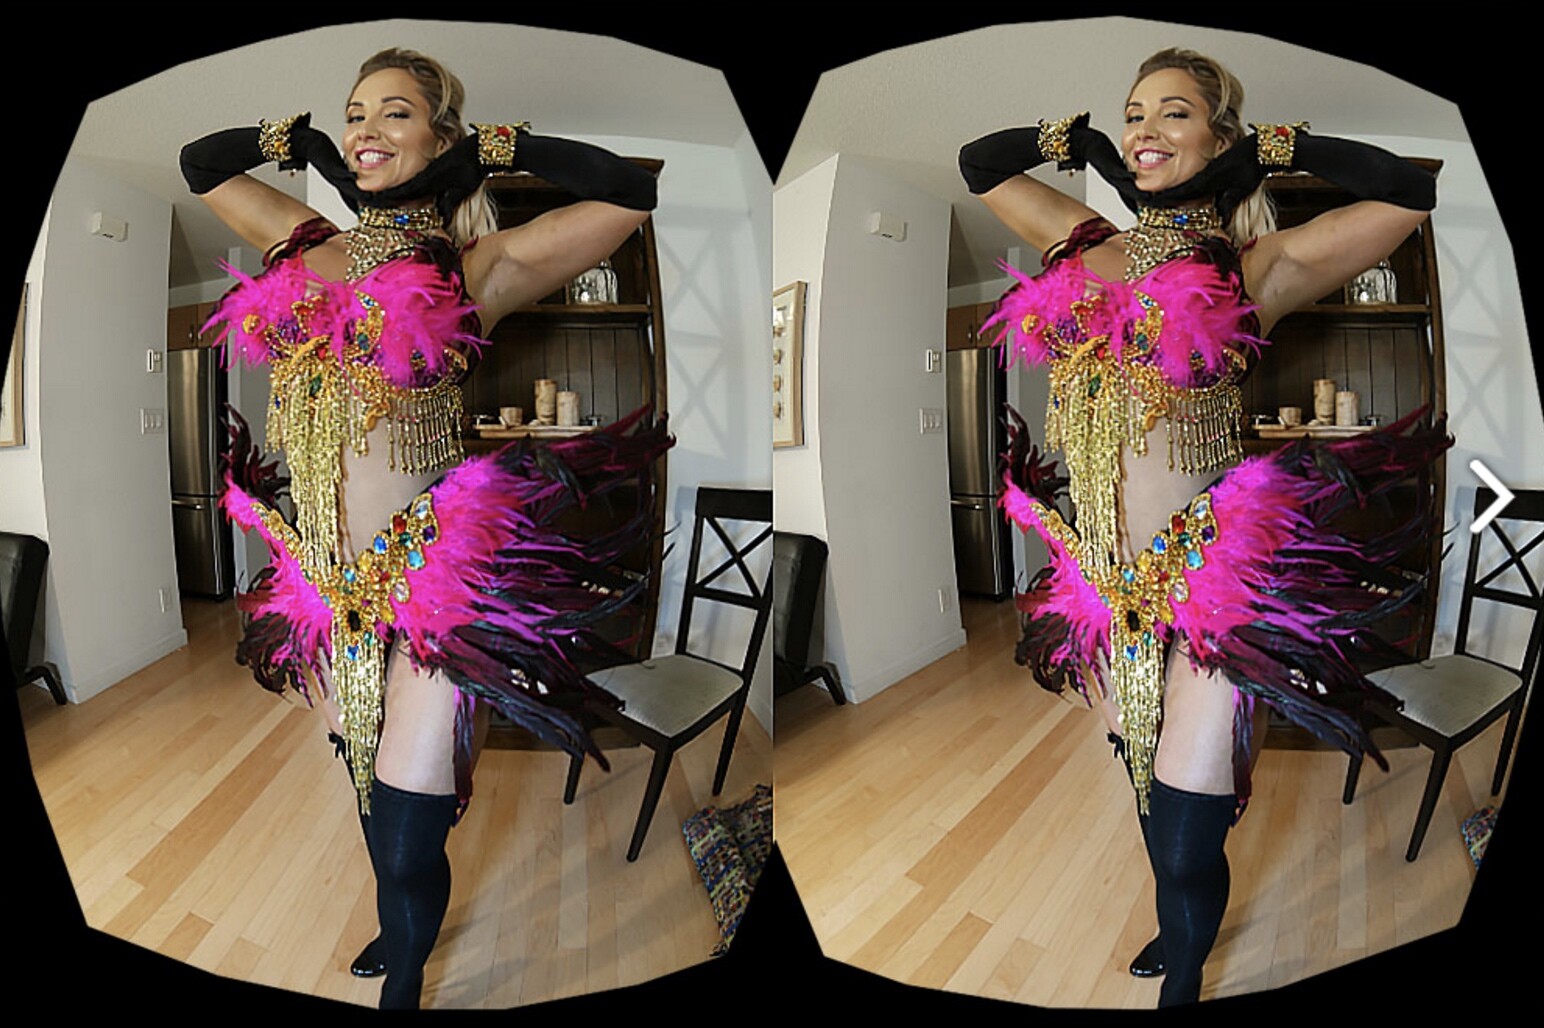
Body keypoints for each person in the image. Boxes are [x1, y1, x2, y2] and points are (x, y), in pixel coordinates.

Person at [179, 48, 669, 1009]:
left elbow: (627, 194)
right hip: (324, 587)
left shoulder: (479, 267)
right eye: (355, 112)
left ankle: (404, 980)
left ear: (440, 136)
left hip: (428, 577)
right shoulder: (302, 241)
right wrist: (298, 141)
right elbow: (203, 164)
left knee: (411, 828)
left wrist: (492, 152)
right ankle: (400, 918)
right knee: (368, 783)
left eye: (394, 113)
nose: (365, 129)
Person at [958, 48, 1447, 1007]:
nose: (1144, 128)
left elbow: (1406, 193)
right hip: (1101, 586)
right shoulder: (1079, 239)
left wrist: (1272, 152)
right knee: (1148, 783)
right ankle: (1179, 922)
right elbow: (982, 163)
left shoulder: (1257, 267)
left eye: (1173, 113)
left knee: (1189, 830)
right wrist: (1076, 141)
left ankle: (1182, 978)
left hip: (1206, 577)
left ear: (1219, 136)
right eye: (1133, 112)